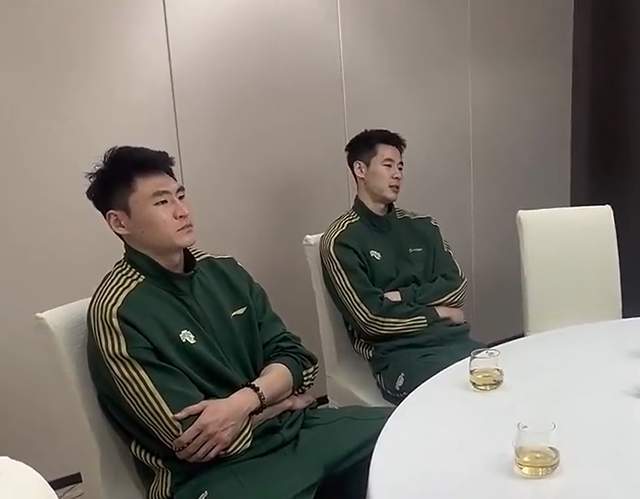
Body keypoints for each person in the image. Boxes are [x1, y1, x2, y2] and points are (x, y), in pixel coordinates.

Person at [84, 146, 390, 499]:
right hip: (210, 475)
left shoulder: (224, 272)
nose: (183, 211)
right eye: (162, 202)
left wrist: (245, 402)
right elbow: (190, 438)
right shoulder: (118, 312)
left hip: (295, 432)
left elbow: (299, 360)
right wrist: (281, 400)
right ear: (119, 222)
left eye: (180, 195)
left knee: (403, 434)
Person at [321, 129, 483, 405]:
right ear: (360, 170)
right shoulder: (341, 240)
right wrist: (438, 312)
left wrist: (401, 297)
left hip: (455, 342)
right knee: (457, 401)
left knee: (509, 384)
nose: (397, 174)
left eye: (400, 167)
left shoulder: (423, 227)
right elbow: (371, 319)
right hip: (399, 356)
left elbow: (456, 287)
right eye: (388, 165)